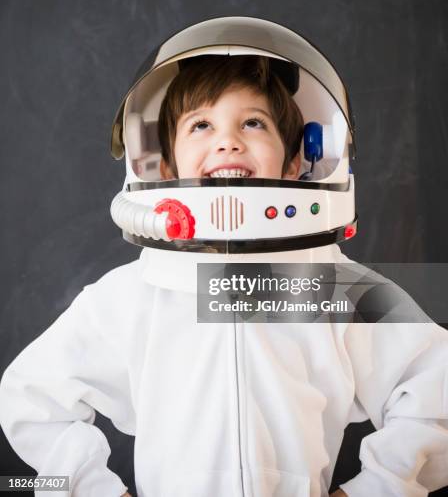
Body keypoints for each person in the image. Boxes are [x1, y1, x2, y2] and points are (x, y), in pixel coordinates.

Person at [1, 30, 447, 497]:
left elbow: (439, 387)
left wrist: (377, 489)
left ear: (298, 160)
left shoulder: (336, 288)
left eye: (253, 123)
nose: (228, 142)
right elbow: (32, 397)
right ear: (165, 164)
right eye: (201, 125)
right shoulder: (133, 294)